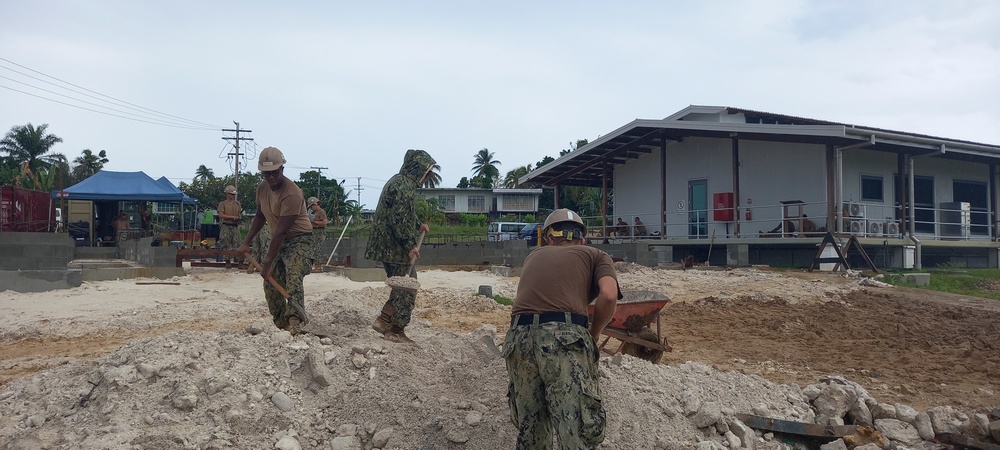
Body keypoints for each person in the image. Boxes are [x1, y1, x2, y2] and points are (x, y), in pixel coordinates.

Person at [503, 208, 621, 449]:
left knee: (531, 431)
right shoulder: (596, 254)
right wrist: (593, 335)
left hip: (518, 339)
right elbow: (608, 296)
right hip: (564, 339)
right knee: (575, 429)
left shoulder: (533, 256)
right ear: (582, 237)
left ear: (548, 237)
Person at [236, 147, 314, 334]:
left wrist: (267, 262)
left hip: (299, 239)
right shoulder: (262, 189)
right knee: (270, 282)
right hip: (279, 239)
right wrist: (246, 242)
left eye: (274, 173)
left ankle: (295, 321)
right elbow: (260, 216)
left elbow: (280, 232)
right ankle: (282, 323)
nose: (271, 178)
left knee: (293, 275)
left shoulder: (292, 193)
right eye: (266, 174)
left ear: (282, 170)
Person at [365, 149, 437, 343]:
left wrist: (418, 224)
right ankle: (396, 330)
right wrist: (409, 246)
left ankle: (384, 319)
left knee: (400, 284)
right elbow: (399, 220)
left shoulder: (397, 181)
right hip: (394, 245)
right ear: (418, 169)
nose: (426, 177)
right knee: (408, 286)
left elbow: (402, 213)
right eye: (426, 172)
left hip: (386, 244)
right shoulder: (404, 186)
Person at [217, 185, 243, 268]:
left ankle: (240, 262)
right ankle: (227, 261)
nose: (233, 196)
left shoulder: (237, 204)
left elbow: (239, 214)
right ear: (227, 194)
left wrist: (238, 218)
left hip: (235, 225)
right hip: (226, 225)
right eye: (232, 194)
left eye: (234, 195)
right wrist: (232, 217)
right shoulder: (222, 204)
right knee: (225, 243)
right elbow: (221, 215)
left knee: (238, 243)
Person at [307, 197, 329, 264]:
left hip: (319, 231)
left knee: (317, 248)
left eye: (312, 206)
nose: (311, 208)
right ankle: (316, 264)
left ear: (315, 204)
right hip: (314, 231)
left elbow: (325, 222)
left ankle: (318, 265)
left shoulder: (321, 212)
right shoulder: (316, 213)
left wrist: (314, 222)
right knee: (314, 248)